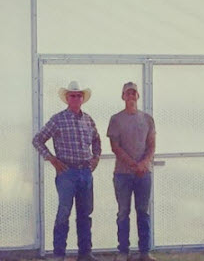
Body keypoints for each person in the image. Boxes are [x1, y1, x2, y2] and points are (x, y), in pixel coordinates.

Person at [33, 81, 102, 261]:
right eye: (72, 95)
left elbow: (96, 140)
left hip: (85, 172)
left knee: (85, 213)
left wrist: (96, 157)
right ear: (66, 98)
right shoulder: (58, 119)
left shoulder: (88, 120)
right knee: (64, 212)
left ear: (82, 99)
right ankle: (59, 254)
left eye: (79, 95)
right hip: (67, 173)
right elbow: (38, 140)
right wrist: (52, 159)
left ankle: (85, 253)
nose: (76, 98)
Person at [107, 82, 156, 261]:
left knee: (143, 212)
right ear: (123, 96)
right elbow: (115, 147)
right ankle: (123, 251)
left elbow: (151, 145)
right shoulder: (115, 119)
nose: (131, 96)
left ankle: (144, 252)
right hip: (122, 174)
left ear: (138, 96)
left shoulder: (147, 119)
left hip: (144, 174)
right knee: (123, 212)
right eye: (128, 93)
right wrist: (132, 165)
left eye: (134, 93)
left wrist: (143, 164)